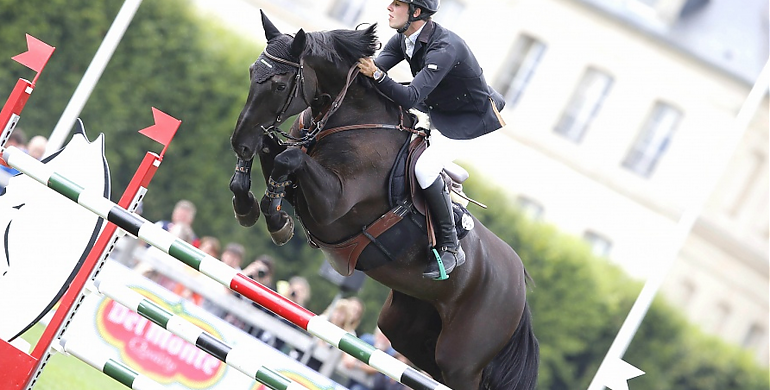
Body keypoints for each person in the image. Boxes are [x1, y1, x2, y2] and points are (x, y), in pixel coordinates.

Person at [357, 0, 506, 279]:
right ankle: (442, 177)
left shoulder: (445, 47)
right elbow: (371, 73)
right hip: (439, 109)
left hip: (469, 120)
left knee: (423, 169)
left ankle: (451, 246)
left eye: (398, 3)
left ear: (415, 12)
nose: (389, 7)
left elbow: (408, 94)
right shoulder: (404, 39)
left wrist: (376, 74)